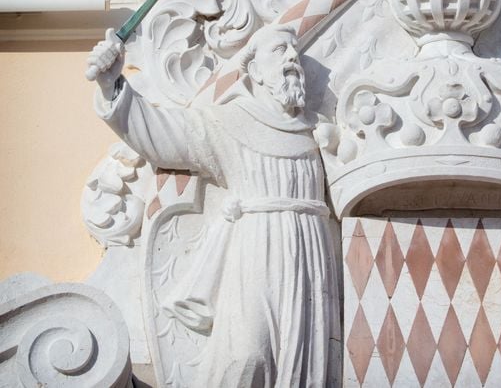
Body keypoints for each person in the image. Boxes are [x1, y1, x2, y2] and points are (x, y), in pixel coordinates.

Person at [86, 22, 341, 387]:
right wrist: (112, 87)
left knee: (306, 360)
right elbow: (166, 133)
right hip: (257, 245)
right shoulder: (232, 121)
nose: (291, 58)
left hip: (310, 249)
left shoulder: (316, 130)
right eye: (279, 51)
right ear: (254, 70)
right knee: (247, 353)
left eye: (294, 53)